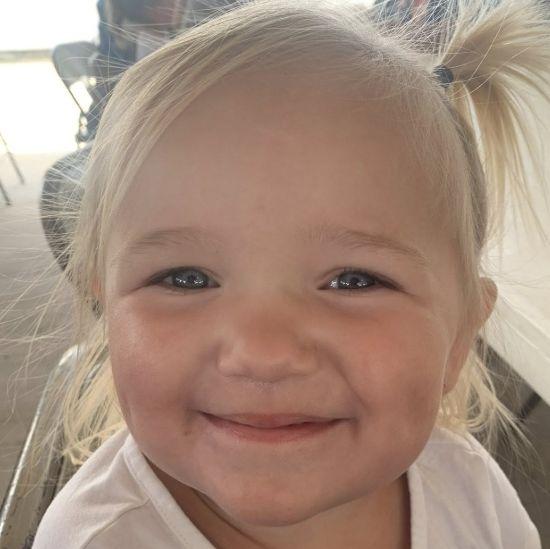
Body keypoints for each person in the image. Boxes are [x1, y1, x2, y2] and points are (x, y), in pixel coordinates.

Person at [29, 0, 549, 547]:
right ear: (109, 312)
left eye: (354, 280)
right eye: (186, 278)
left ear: (462, 332)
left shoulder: (471, 489)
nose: (263, 353)